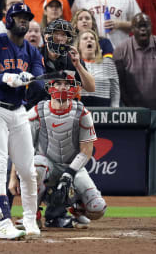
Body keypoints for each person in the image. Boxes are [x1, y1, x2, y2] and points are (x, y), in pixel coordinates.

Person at [0, 3, 42, 239]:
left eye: (26, 17)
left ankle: (31, 221)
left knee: (27, 169)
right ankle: (2, 223)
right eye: (19, 16)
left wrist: (31, 80)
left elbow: (41, 83)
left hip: (18, 111)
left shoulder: (32, 51)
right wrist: (6, 77)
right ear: (8, 20)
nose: (23, 21)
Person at [10, 74, 107, 229]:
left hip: (73, 167)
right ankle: (32, 216)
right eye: (58, 84)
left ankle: (76, 209)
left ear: (73, 88)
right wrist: (13, 176)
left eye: (67, 84)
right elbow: (22, 147)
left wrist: (69, 173)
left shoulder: (82, 113)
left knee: (98, 208)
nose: (63, 87)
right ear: (50, 88)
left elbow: (86, 151)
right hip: (47, 165)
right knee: (37, 165)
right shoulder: (37, 111)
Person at [113, 13, 156, 109]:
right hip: (132, 111)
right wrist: (134, 111)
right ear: (132, 29)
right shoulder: (121, 50)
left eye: (146, 26)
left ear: (151, 27)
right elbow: (120, 86)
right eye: (139, 26)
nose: (143, 29)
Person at [71, 0, 141, 48]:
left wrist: (120, 24)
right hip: (91, 54)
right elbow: (72, 27)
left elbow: (140, 24)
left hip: (120, 51)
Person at [75, 29, 120, 107]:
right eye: (85, 38)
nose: (89, 40)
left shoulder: (108, 63)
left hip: (103, 108)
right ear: (79, 45)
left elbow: (115, 90)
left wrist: (114, 109)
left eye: (92, 39)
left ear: (96, 45)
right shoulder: (73, 64)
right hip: (80, 107)